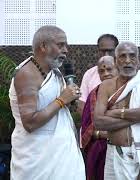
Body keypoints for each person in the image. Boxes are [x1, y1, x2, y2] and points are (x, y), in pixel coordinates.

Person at [9, 25, 85, 179]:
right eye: (60, 45)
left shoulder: (54, 72)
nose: (66, 50)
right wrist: (62, 100)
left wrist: (71, 102)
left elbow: (57, 111)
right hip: (38, 159)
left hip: (61, 155)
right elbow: (30, 123)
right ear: (43, 46)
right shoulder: (27, 75)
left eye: (66, 45)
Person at [94, 41, 140, 180]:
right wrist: (139, 115)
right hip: (116, 154)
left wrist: (116, 112)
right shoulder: (106, 86)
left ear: (138, 61)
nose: (127, 60)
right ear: (116, 61)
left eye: (132, 56)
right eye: (122, 56)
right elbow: (98, 122)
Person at [80, 55, 117, 180]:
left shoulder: (130, 90)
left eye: (109, 69)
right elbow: (86, 128)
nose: (106, 73)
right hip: (100, 150)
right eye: (102, 71)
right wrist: (104, 134)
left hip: (126, 148)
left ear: (117, 69)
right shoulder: (93, 95)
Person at [78, 34, 119, 114]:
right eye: (103, 51)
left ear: (117, 51)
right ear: (98, 51)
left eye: (110, 51)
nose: (106, 55)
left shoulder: (124, 73)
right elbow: (81, 105)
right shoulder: (89, 74)